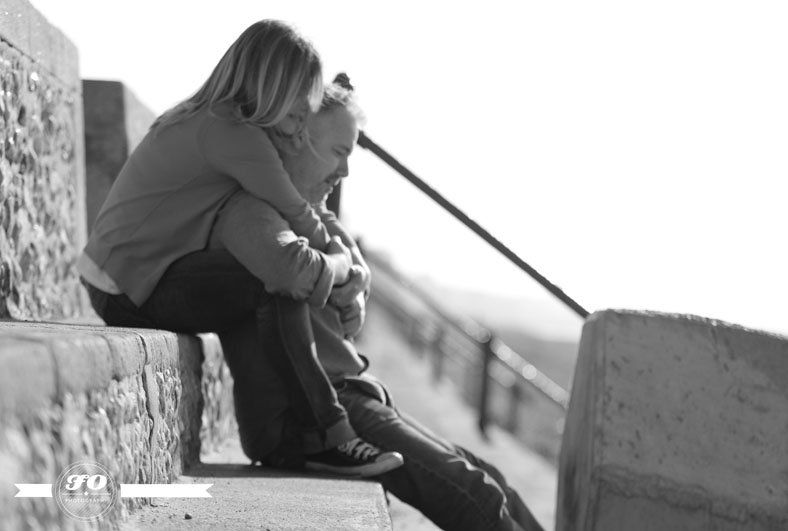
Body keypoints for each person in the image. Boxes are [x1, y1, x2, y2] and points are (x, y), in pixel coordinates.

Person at [209, 77, 547, 531]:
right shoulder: (251, 212)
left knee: (491, 478)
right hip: (310, 414)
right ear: (294, 139)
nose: (345, 171)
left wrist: (354, 271)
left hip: (355, 396)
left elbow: (350, 276)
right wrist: (347, 271)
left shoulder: (310, 218)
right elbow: (296, 269)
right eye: (338, 152)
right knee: (475, 495)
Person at [77, 19, 402, 477]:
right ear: (271, 87)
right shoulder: (235, 136)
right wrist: (344, 264)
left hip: (120, 276)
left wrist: (345, 264)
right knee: (272, 280)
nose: (299, 127)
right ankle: (329, 434)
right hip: (128, 290)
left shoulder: (209, 116)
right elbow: (297, 211)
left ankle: (292, 432)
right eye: (297, 111)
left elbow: (303, 210)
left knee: (268, 276)